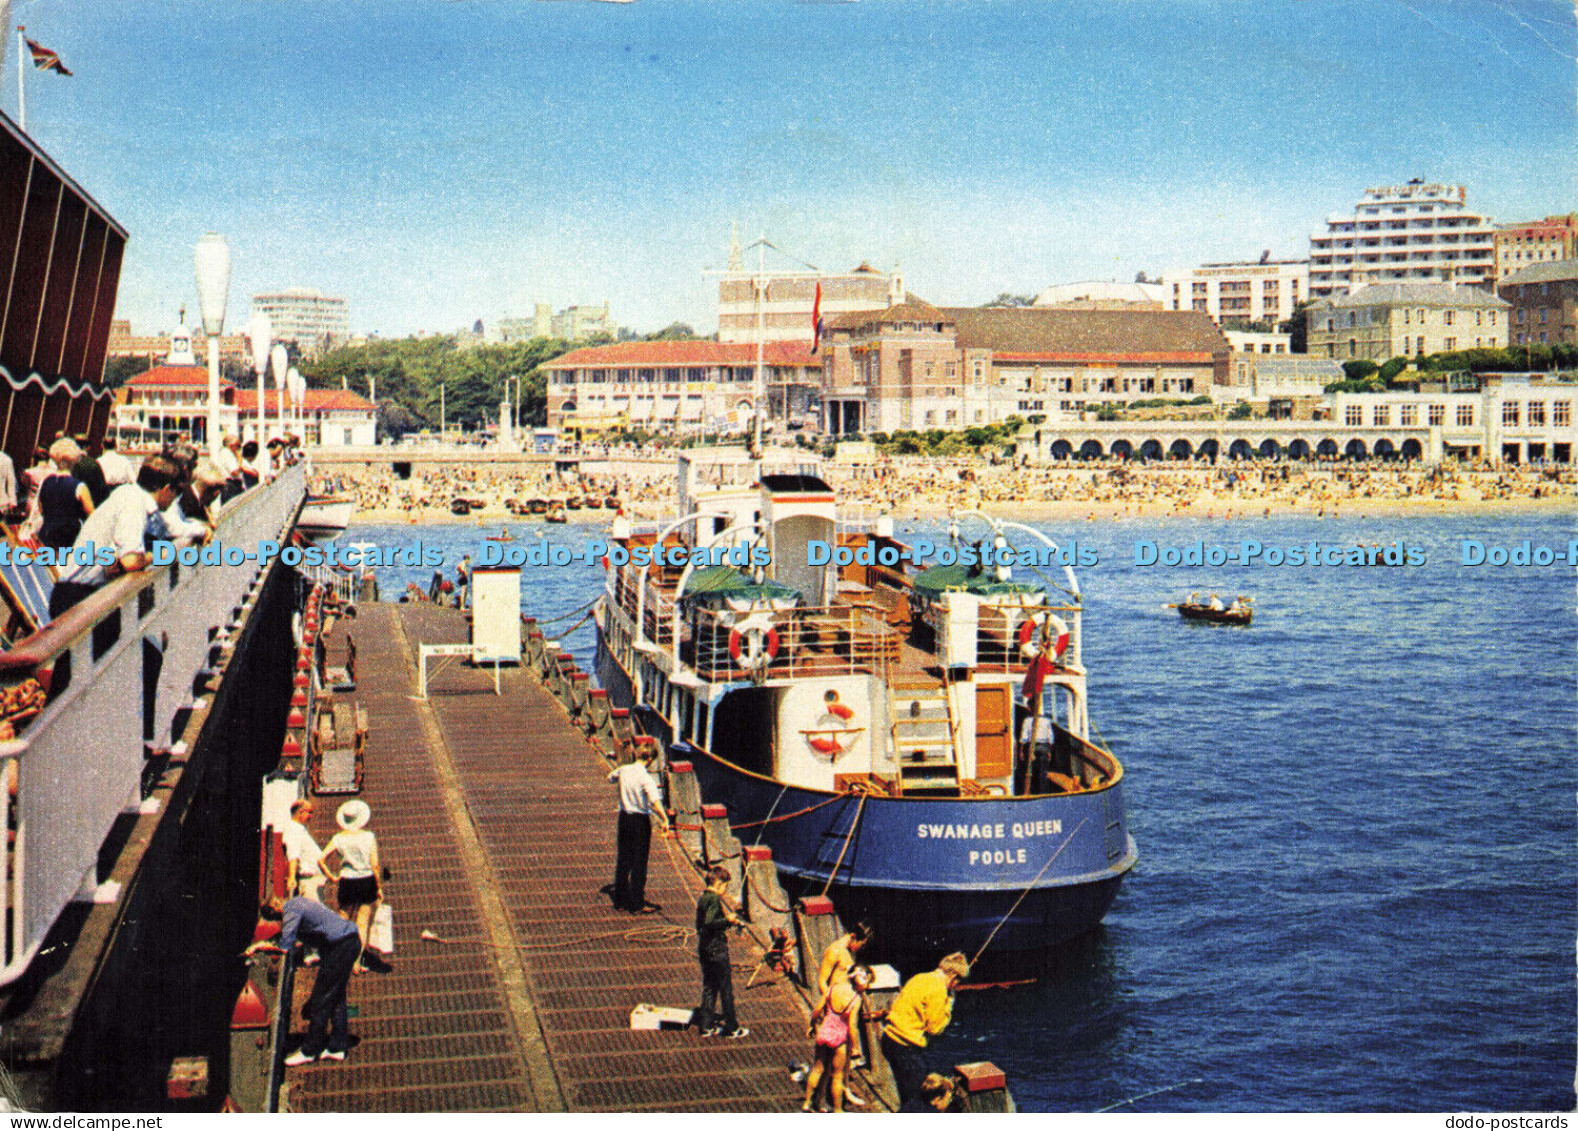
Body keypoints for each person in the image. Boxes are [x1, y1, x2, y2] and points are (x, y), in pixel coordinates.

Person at [49, 456, 180, 618]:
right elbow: (130, 561)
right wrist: (160, 554)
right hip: (79, 597)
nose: (175, 499)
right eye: (177, 492)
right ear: (167, 489)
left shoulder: (128, 494)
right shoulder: (134, 502)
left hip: (74, 592)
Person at [244, 895, 359, 1065]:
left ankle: (310, 1050)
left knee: (320, 1001)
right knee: (336, 998)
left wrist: (261, 946)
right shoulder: (298, 903)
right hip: (350, 941)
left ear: (276, 911)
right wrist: (262, 944)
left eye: (277, 919)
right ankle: (338, 1046)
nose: (280, 922)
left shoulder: (290, 910)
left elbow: (286, 944)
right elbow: (289, 935)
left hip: (340, 948)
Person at [881, 952, 970, 1112]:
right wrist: (949, 1003)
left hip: (890, 1039)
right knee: (917, 1102)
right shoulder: (939, 989)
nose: (957, 985)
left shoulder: (921, 977)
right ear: (953, 976)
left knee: (909, 1094)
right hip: (905, 1046)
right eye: (959, 981)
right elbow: (935, 1029)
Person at [319, 800, 382, 971]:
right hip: (366, 880)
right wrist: (379, 887)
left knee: (343, 918)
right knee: (362, 923)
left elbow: (321, 859)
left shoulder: (338, 838)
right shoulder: (369, 837)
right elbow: (375, 865)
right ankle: (356, 962)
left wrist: (332, 877)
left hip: (347, 881)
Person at [607, 746, 670, 913]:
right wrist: (665, 819)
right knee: (639, 862)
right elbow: (655, 801)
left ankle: (619, 900)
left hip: (624, 817)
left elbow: (610, 777)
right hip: (640, 821)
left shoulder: (624, 770)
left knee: (624, 858)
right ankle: (637, 903)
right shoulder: (646, 778)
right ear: (649, 760)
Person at [803, 966, 873, 1113]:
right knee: (837, 1076)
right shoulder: (856, 999)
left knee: (817, 1069)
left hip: (825, 1032)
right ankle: (838, 1109)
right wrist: (856, 1047)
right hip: (840, 1038)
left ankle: (807, 1102)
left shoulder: (834, 987)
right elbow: (852, 1026)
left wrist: (812, 1024)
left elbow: (818, 1008)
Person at [694, 865, 748, 1039]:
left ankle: (706, 1026)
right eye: (725, 886)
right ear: (719, 884)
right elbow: (711, 922)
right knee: (726, 989)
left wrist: (728, 921)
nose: (725, 891)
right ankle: (732, 1028)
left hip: (704, 947)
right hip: (717, 949)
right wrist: (729, 920)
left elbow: (704, 922)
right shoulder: (714, 899)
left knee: (709, 987)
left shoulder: (703, 898)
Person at [37, 438, 93, 551]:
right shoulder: (79, 486)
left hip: (47, 535)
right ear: (74, 461)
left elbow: (41, 509)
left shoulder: (46, 482)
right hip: (70, 538)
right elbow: (92, 514)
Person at [281, 798, 326, 902]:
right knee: (314, 915)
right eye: (309, 812)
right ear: (300, 812)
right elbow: (293, 854)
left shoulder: (299, 829)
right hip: (308, 881)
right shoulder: (293, 829)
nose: (311, 816)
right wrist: (292, 877)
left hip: (314, 881)